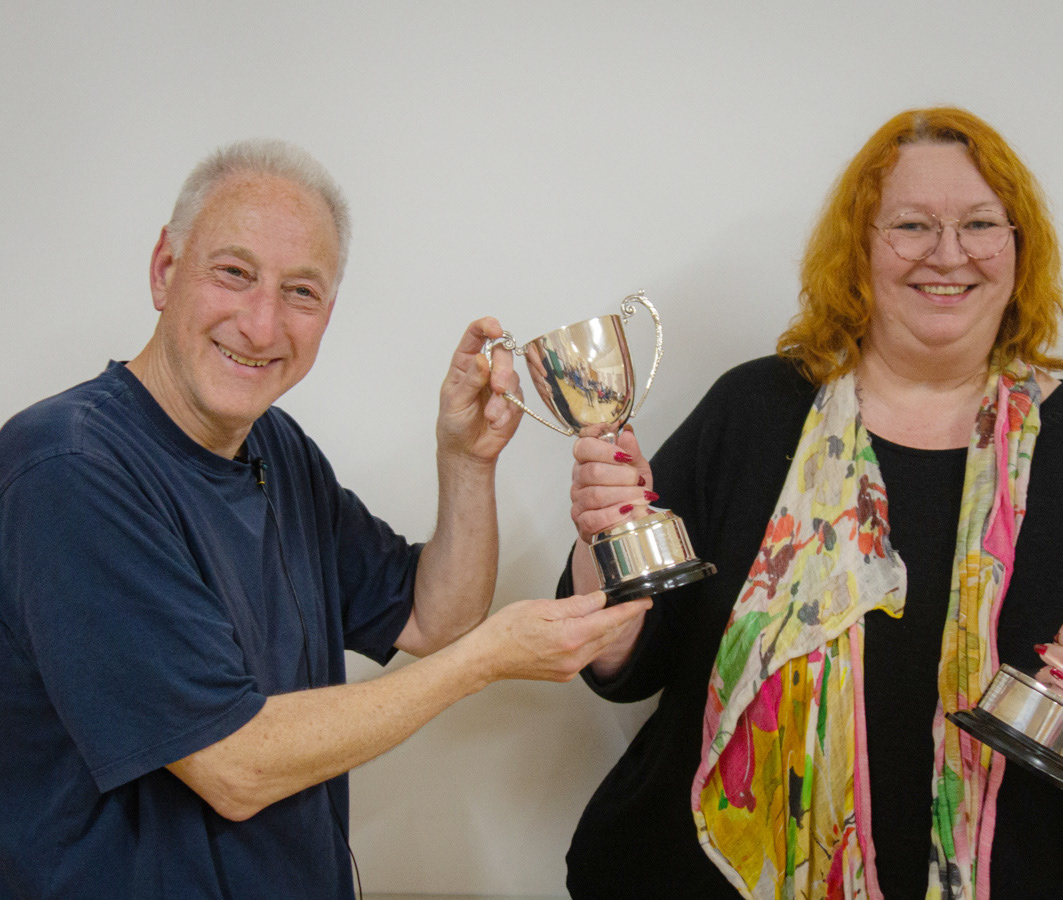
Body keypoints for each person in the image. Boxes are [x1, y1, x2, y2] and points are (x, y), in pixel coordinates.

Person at [558, 108, 1063, 899]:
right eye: (910, 225)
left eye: (979, 224)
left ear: (1017, 249)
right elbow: (623, 659)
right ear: (858, 249)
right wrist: (601, 531)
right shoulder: (752, 412)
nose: (947, 254)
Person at [0, 139, 650, 899]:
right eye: (233, 273)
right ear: (164, 270)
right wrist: (486, 662)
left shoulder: (274, 447)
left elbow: (434, 617)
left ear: (328, 314)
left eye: (300, 292)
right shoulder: (69, 468)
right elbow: (232, 765)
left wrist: (466, 461)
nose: (261, 325)